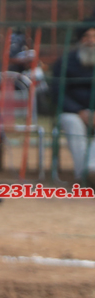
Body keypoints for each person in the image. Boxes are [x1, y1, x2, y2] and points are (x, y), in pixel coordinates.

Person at [50, 23, 95, 184]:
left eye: (94, 37)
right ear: (80, 39)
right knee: (73, 123)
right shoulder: (65, 62)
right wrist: (79, 111)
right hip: (72, 111)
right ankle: (83, 174)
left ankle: (92, 169)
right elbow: (57, 93)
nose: (91, 41)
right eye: (86, 36)